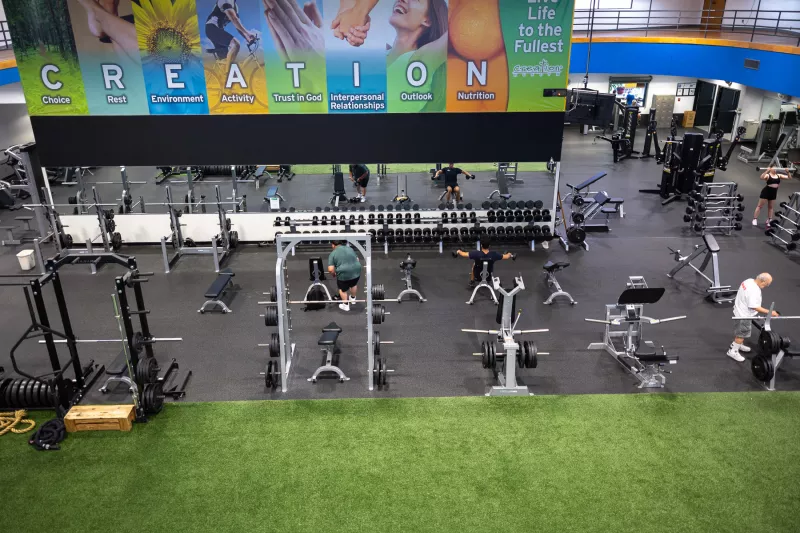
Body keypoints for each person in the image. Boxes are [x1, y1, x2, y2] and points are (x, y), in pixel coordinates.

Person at [728, 273, 779, 362]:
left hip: (739, 309)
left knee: (741, 332)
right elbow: (754, 306)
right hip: (743, 315)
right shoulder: (753, 290)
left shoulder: (748, 281)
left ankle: (738, 345)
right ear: (762, 281)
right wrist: (770, 312)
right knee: (742, 334)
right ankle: (733, 351)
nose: (767, 286)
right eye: (767, 284)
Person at [205, 1, 257, 72]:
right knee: (236, 44)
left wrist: (247, 38)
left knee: (225, 62)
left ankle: (223, 76)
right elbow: (234, 19)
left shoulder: (234, 8)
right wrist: (248, 33)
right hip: (211, 28)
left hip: (217, 31)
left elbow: (238, 27)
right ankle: (229, 73)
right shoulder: (225, 2)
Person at [327, 241, 362, 311]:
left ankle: (345, 305)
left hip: (343, 274)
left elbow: (330, 269)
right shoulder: (350, 248)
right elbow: (357, 259)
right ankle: (353, 299)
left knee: (342, 290)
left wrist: (334, 274)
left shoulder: (333, 253)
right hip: (356, 271)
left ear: (333, 245)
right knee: (353, 284)